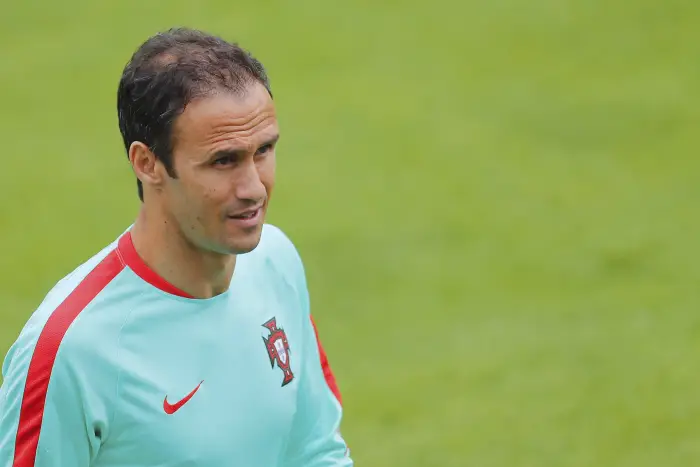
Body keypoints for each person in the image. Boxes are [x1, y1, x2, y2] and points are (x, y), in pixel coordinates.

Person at [0, 27, 352, 466]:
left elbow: (315, 451)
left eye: (263, 151)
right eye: (224, 161)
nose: (254, 188)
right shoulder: (71, 350)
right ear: (148, 164)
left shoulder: (276, 261)